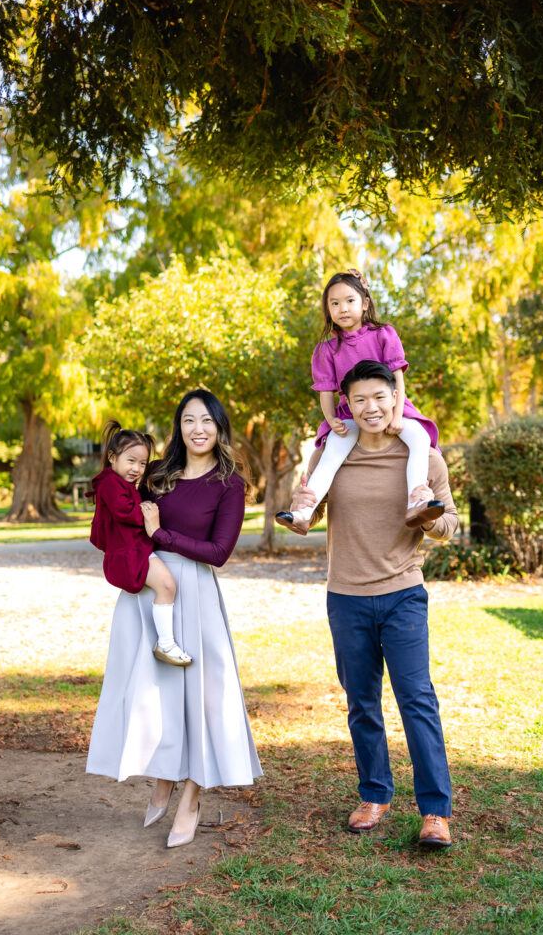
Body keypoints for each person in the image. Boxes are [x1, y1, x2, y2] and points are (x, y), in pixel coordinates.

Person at [291, 359, 458, 848]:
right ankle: (374, 794)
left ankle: (434, 811)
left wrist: (426, 514)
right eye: (359, 399)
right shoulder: (331, 453)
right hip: (346, 597)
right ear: (348, 404)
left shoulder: (424, 457)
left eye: (379, 397)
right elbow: (308, 513)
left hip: (404, 594)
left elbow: (449, 524)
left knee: (417, 701)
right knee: (362, 703)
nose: (370, 408)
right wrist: (300, 506)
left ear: (395, 398)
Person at [86, 390, 262, 848]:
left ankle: (192, 795)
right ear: (178, 427)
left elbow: (219, 553)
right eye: (188, 420)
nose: (197, 429)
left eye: (207, 420)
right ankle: (163, 777)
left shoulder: (230, 484)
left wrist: (160, 533)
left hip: (195, 591)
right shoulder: (157, 474)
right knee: (157, 694)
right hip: (150, 588)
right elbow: (119, 513)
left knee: (200, 697)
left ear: (220, 428)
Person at [277, 269, 444, 533]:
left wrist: (399, 415)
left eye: (350, 300)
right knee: (333, 450)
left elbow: (397, 379)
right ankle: (303, 513)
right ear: (327, 309)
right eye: (335, 303)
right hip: (349, 412)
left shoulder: (383, 334)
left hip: (390, 408)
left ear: (365, 303)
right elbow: (326, 391)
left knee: (419, 438)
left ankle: (417, 501)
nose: (343, 308)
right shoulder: (326, 349)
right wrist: (332, 420)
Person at [88, 420, 191, 666]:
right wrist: (149, 514)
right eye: (131, 460)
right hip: (129, 553)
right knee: (167, 586)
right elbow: (124, 512)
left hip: (134, 549)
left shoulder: (120, 483)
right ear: (112, 457)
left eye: (142, 463)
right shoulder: (110, 483)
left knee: (165, 586)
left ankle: (163, 642)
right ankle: (165, 644)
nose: (137, 468)